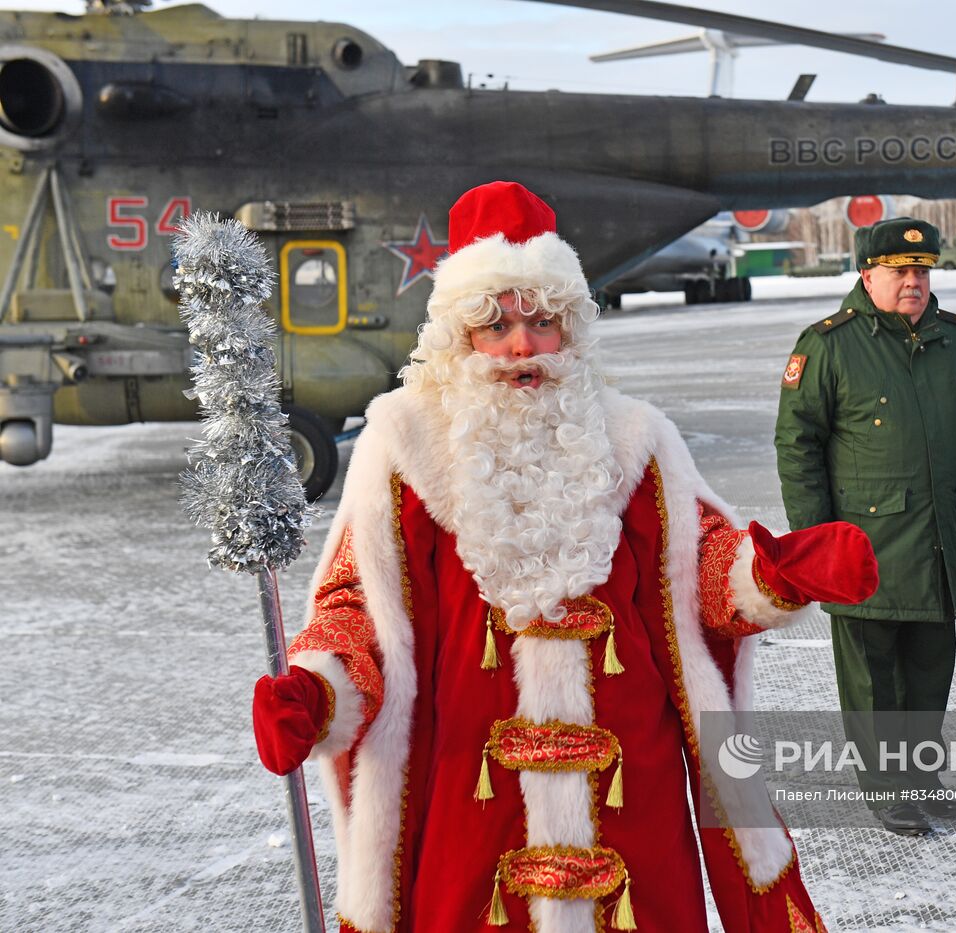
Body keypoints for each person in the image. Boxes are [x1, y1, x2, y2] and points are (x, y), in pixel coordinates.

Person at [250, 181, 878, 932]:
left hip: (631, 800)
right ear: (459, 336)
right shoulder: (403, 446)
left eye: (542, 322)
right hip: (471, 802)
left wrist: (774, 574)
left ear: (571, 330)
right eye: (497, 324)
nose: (522, 346)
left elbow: (705, 567)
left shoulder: (634, 438)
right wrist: (317, 694)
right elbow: (356, 605)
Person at [774, 217, 956, 836]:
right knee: (874, 673)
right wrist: (816, 540)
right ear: (867, 275)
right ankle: (886, 786)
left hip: (939, 536)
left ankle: (922, 775)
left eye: (921, 272)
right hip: (864, 544)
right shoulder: (828, 345)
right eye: (899, 272)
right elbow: (798, 445)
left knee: (930, 667)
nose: (913, 283)